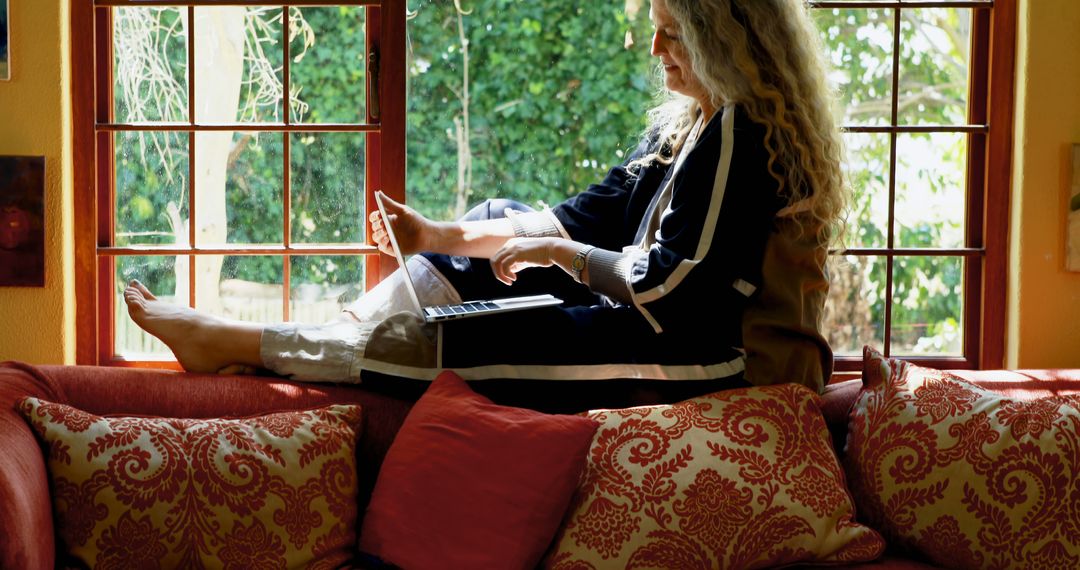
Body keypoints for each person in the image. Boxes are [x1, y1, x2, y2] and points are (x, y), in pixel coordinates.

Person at [125, 0, 845, 405]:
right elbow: (579, 218)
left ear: (724, 38)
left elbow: (671, 290)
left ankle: (241, 345)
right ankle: (316, 343)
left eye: (673, 30)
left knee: (471, 339)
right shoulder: (689, 128)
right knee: (498, 219)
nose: (654, 46)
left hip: (716, 362)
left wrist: (561, 257)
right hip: (662, 329)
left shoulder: (741, 132)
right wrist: (435, 232)